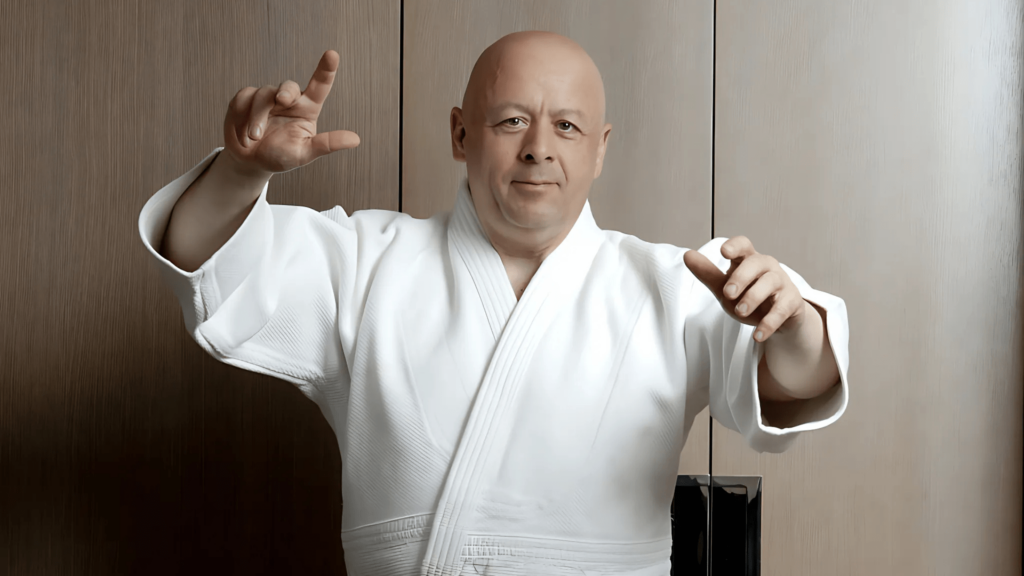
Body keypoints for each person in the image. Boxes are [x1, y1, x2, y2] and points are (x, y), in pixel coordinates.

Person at [138, 31, 848, 576]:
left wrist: (791, 327)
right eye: (511, 121)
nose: (539, 148)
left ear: (600, 149)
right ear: (460, 133)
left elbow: (793, 380)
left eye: (567, 126)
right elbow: (212, 263)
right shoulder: (365, 264)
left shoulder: (674, 283)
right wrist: (240, 174)